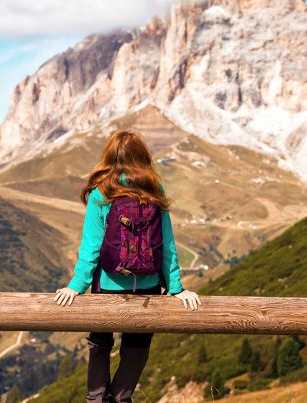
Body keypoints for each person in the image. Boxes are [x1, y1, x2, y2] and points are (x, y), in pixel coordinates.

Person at [54, 130, 201, 403]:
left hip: (107, 284)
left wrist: (77, 285)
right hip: (147, 287)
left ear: (109, 157)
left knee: (99, 343)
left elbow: (92, 246)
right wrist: (176, 288)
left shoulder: (102, 191)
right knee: (136, 347)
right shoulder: (155, 189)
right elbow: (166, 242)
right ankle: (121, 398)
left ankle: (96, 399)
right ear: (142, 157)